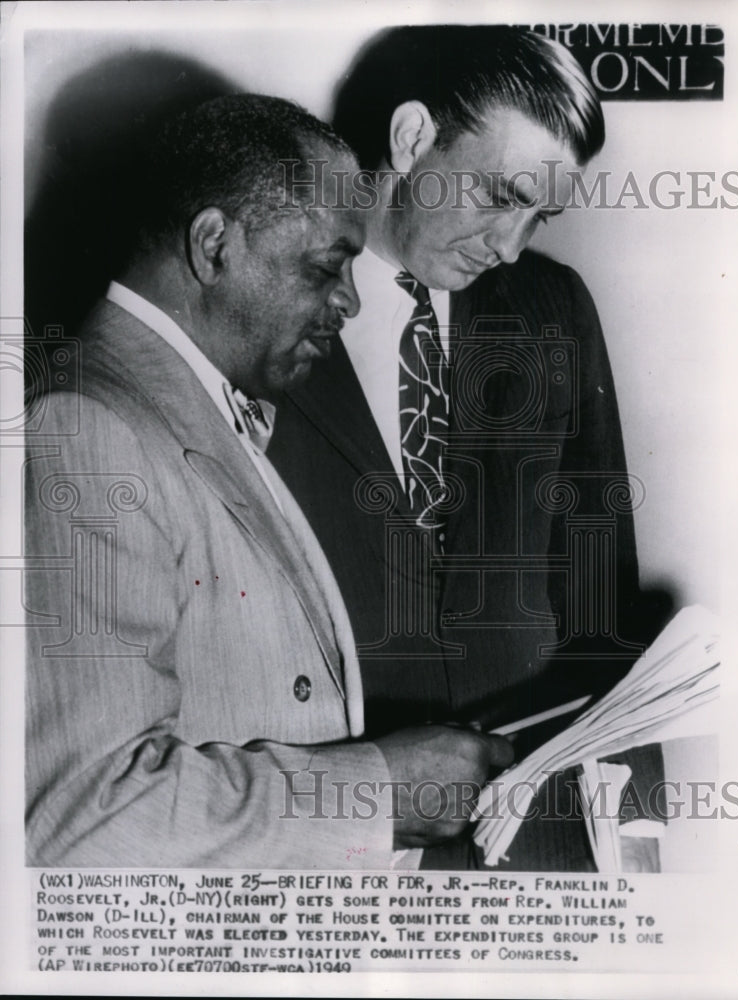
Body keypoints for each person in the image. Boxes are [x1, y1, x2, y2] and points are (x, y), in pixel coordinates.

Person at [24, 93, 512, 869]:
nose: (349, 302)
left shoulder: (187, 404)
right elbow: (86, 815)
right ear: (213, 245)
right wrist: (378, 793)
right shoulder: (85, 430)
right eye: (326, 268)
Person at [267, 28, 667, 871]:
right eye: (498, 194)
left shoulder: (553, 306)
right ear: (413, 137)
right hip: (333, 830)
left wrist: (638, 825)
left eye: (539, 214)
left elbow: (601, 583)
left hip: (536, 831)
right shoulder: (262, 307)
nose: (511, 245)